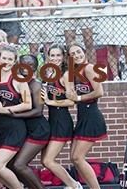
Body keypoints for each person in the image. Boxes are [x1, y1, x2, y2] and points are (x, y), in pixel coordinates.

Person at [0, 44, 32, 189]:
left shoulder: (19, 79)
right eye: (4, 58)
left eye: (10, 59)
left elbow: (27, 104)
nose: (6, 62)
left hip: (14, 128)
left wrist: (5, 110)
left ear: (14, 62)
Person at [66, 42, 107, 189]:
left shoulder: (89, 68)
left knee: (78, 157)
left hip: (92, 116)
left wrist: (78, 98)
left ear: (84, 51)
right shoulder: (75, 71)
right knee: (74, 158)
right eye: (72, 54)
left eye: (79, 52)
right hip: (83, 116)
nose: (77, 55)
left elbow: (99, 91)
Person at [9, 54, 51, 189]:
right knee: (11, 165)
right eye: (23, 63)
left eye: (30, 64)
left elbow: (38, 111)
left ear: (35, 67)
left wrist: (14, 115)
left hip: (38, 130)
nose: (26, 67)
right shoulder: (18, 83)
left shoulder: (36, 85)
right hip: (26, 130)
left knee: (19, 164)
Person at [41, 43, 79, 189]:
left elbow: (71, 101)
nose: (55, 58)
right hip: (52, 120)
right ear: (48, 57)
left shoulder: (66, 75)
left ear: (63, 57)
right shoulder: (49, 73)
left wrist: (50, 101)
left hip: (62, 121)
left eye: (58, 55)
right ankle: (71, 184)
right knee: (45, 161)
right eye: (52, 55)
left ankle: (74, 186)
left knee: (49, 160)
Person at [95, 0, 127, 80]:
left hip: (121, 13)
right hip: (107, 14)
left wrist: (126, 1)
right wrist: (107, 2)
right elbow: (97, 5)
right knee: (111, 47)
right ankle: (115, 76)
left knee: (126, 46)